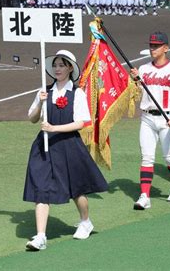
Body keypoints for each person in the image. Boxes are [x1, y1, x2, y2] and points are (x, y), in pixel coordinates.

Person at [24, 50, 108, 251]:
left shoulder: (76, 93)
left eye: (62, 65)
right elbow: (32, 117)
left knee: (76, 189)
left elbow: (81, 122)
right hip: (44, 145)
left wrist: (55, 128)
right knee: (41, 189)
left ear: (70, 68)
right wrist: (40, 104)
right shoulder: (44, 91)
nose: (57, 69)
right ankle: (41, 236)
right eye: (55, 65)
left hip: (69, 145)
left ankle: (85, 221)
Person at [130, 32, 170, 210]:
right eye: (151, 46)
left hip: (167, 118)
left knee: (169, 158)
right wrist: (135, 81)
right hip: (147, 117)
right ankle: (145, 196)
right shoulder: (143, 69)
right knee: (147, 157)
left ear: (165, 48)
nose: (153, 49)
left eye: (156, 46)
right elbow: (137, 92)